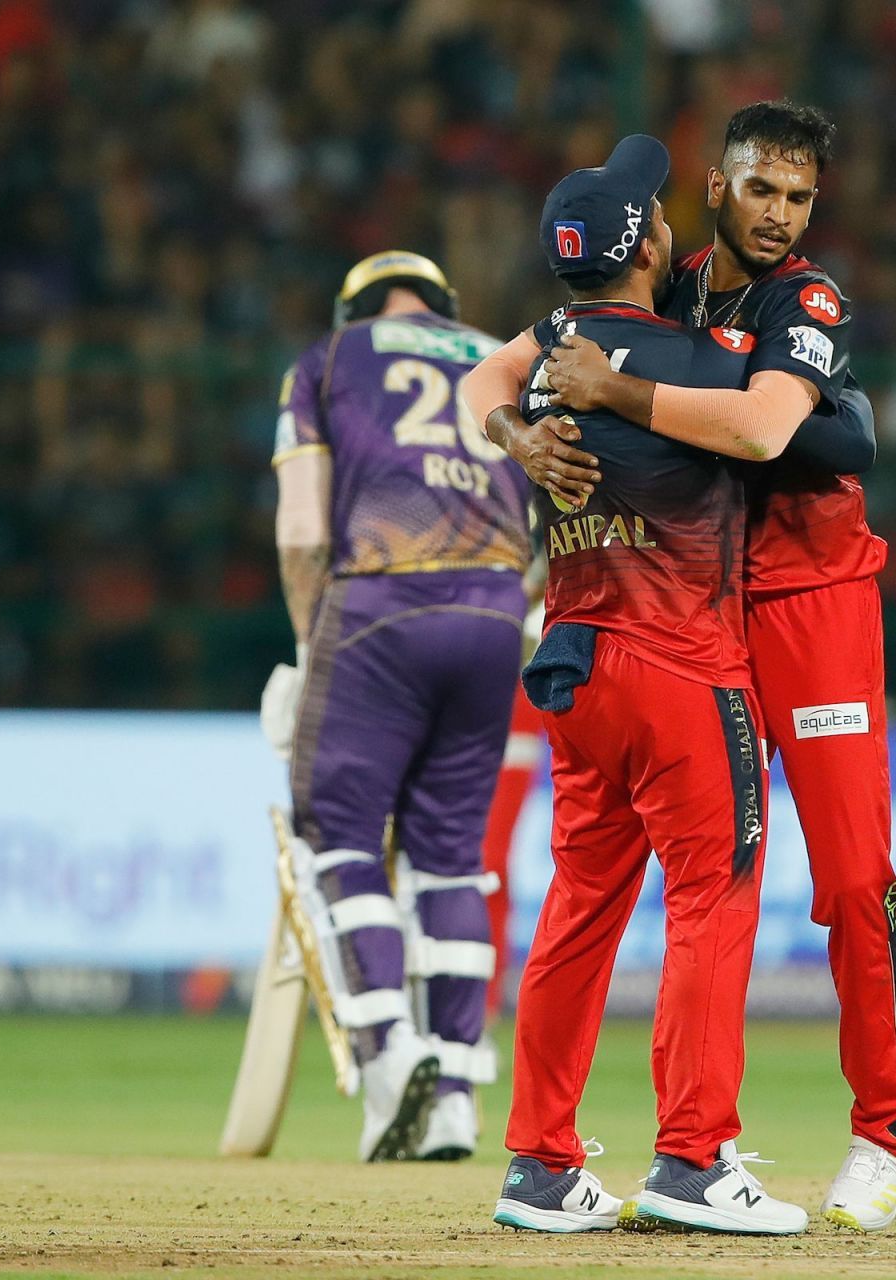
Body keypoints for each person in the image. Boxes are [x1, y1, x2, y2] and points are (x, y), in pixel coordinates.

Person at [464, 101, 896, 1232]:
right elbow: (489, 376)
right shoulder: (650, 289)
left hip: (809, 605)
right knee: (687, 878)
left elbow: (786, 435)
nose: (780, 214)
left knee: (855, 876)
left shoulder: (805, 300)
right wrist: (520, 437)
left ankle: (881, 1130)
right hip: (686, 615)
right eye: (761, 189)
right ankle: (687, 1151)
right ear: (708, 193)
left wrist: (610, 394)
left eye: (800, 197)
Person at [264, 250, 531, 1161]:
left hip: (380, 603)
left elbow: (303, 525)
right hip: (497, 607)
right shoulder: (504, 354)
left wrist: (308, 651)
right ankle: (454, 1087)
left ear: (355, 306)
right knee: (452, 859)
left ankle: (388, 1062)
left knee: (337, 832)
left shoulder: (329, 358)